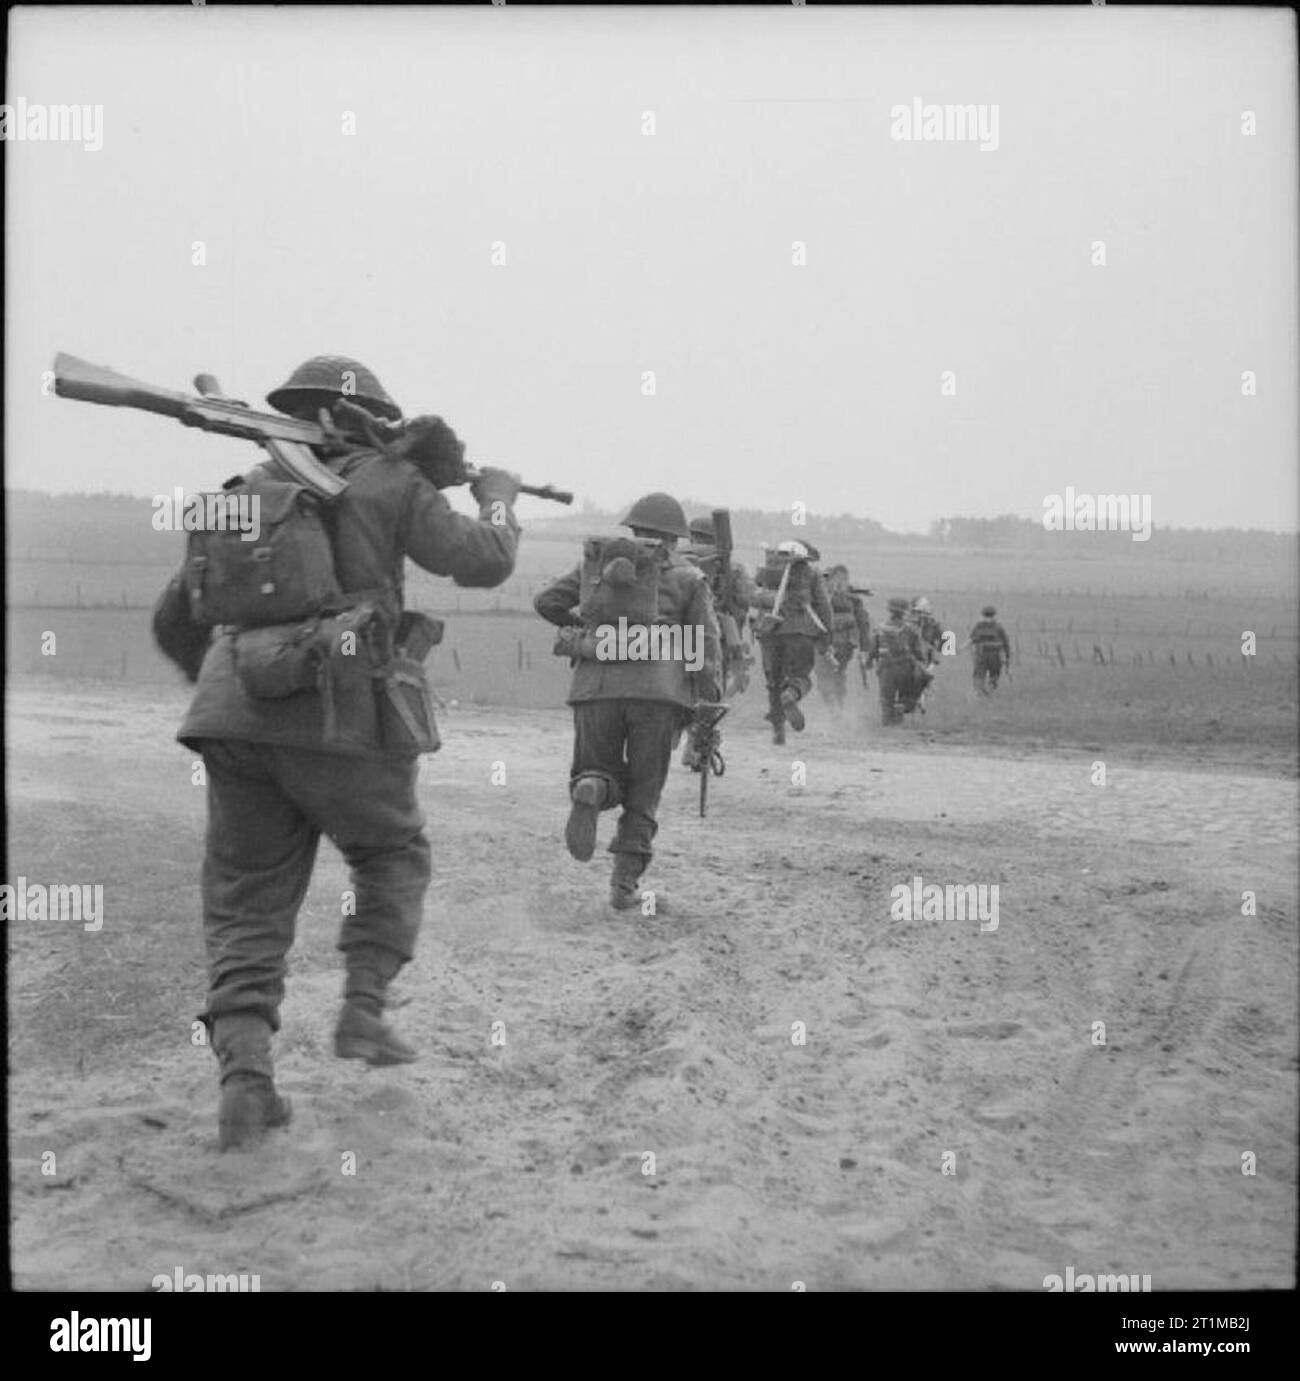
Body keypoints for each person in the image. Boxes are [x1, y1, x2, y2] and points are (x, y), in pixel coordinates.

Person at [152, 354, 521, 1150]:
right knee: (391, 851)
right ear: (368, 418)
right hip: (341, 714)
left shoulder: (245, 493)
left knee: (248, 899)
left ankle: (246, 1084)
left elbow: (174, 614)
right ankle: (361, 1011)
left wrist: (230, 696)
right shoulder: (390, 482)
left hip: (232, 714)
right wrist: (498, 502)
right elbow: (484, 561)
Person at [534, 492, 720, 912]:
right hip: (657, 694)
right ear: (674, 538)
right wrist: (705, 703)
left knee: (597, 767)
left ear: (634, 530)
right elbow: (702, 646)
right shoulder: (689, 578)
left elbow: (546, 603)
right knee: (644, 790)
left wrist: (593, 631)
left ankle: (593, 788)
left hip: (594, 687)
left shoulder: (593, 568)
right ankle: (623, 884)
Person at [752, 540, 834, 745]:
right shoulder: (811, 574)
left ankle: (778, 731)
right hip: (800, 631)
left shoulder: (765, 573)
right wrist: (826, 636)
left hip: (769, 631)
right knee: (800, 677)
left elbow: (754, 599)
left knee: (773, 682)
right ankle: (791, 695)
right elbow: (824, 606)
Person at [684, 513, 757, 695]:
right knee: (715, 678)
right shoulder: (733, 569)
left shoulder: (681, 562)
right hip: (717, 634)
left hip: (684, 630)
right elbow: (747, 599)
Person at [865, 596, 932, 724]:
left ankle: (887, 725)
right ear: (905, 611)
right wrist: (921, 665)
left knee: (886, 699)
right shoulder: (911, 630)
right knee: (905, 696)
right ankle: (901, 715)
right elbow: (918, 652)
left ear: (889, 610)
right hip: (905, 668)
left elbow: (873, 649)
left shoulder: (880, 628)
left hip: (885, 668)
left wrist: (868, 662)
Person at [817, 564, 871, 709]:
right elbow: (863, 624)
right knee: (839, 673)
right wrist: (864, 648)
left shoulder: (821, 598)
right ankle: (838, 705)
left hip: (827, 642)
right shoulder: (854, 600)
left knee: (823, 674)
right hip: (846, 643)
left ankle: (833, 705)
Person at [970, 604, 1012, 692]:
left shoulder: (979, 626)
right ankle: (987, 692)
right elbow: (1006, 643)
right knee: (993, 676)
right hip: (993, 656)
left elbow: (972, 639)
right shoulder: (998, 627)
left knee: (981, 676)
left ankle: (982, 693)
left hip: (983, 655)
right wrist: (1007, 658)